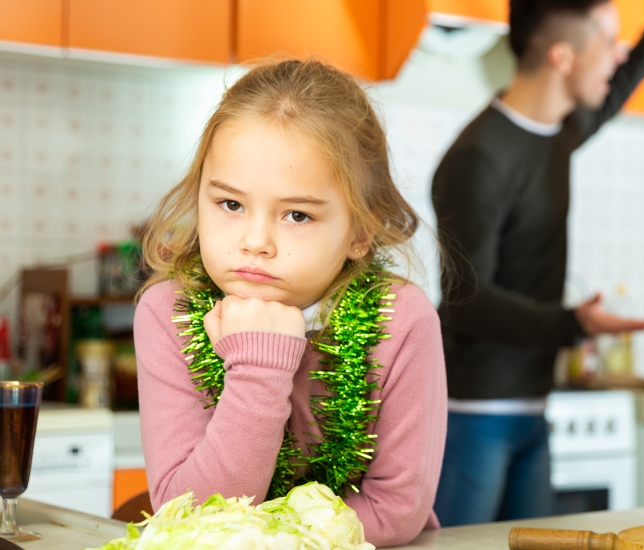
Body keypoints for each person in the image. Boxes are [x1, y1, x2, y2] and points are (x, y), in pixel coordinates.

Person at [134, 60, 446, 547]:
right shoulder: (166, 311)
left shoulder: (402, 320)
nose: (256, 241)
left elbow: (398, 509)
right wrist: (261, 370)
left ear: (360, 231)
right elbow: (187, 515)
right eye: (231, 205)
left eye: (297, 215)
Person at [431, 0, 644, 527]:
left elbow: (613, 93)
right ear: (562, 57)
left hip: (533, 406)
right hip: (475, 413)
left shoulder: (559, 133)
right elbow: (467, 303)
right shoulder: (478, 157)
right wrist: (573, 323)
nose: (616, 56)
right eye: (607, 42)